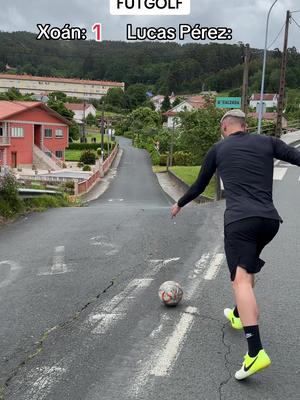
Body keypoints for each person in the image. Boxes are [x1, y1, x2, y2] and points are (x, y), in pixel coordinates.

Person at [171, 109, 300, 380]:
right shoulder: (268, 142)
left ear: (224, 127)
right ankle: (239, 316)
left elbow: (198, 185)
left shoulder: (218, 149)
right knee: (247, 271)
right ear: (245, 125)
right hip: (269, 222)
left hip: (240, 222)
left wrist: (179, 203)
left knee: (240, 281)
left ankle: (255, 352)